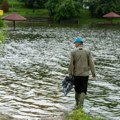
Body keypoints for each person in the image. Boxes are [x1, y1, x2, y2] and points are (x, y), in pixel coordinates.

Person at [68, 37, 96, 109]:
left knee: (77, 89)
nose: (74, 44)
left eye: (75, 43)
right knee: (84, 89)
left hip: (76, 74)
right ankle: (81, 105)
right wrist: (94, 74)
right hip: (85, 74)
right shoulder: (88, 51)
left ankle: (77, 104)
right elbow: (91, 63)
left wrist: (70, 74)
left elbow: (71, 64)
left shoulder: (73, 52)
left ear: (79, 43)